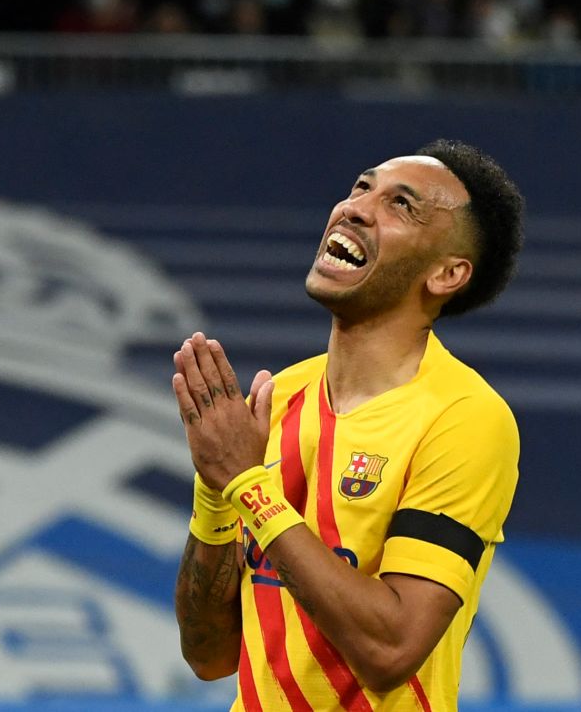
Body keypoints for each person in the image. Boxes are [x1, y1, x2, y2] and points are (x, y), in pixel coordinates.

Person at [172, 139, 524, 711]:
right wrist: (215, 492)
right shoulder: (278, 399)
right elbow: (209, 655)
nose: (355, 207)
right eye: (362, 187)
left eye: (401, 205)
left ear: (447, 273)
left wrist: (247, 486)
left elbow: (391, 651)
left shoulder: (464, 417)